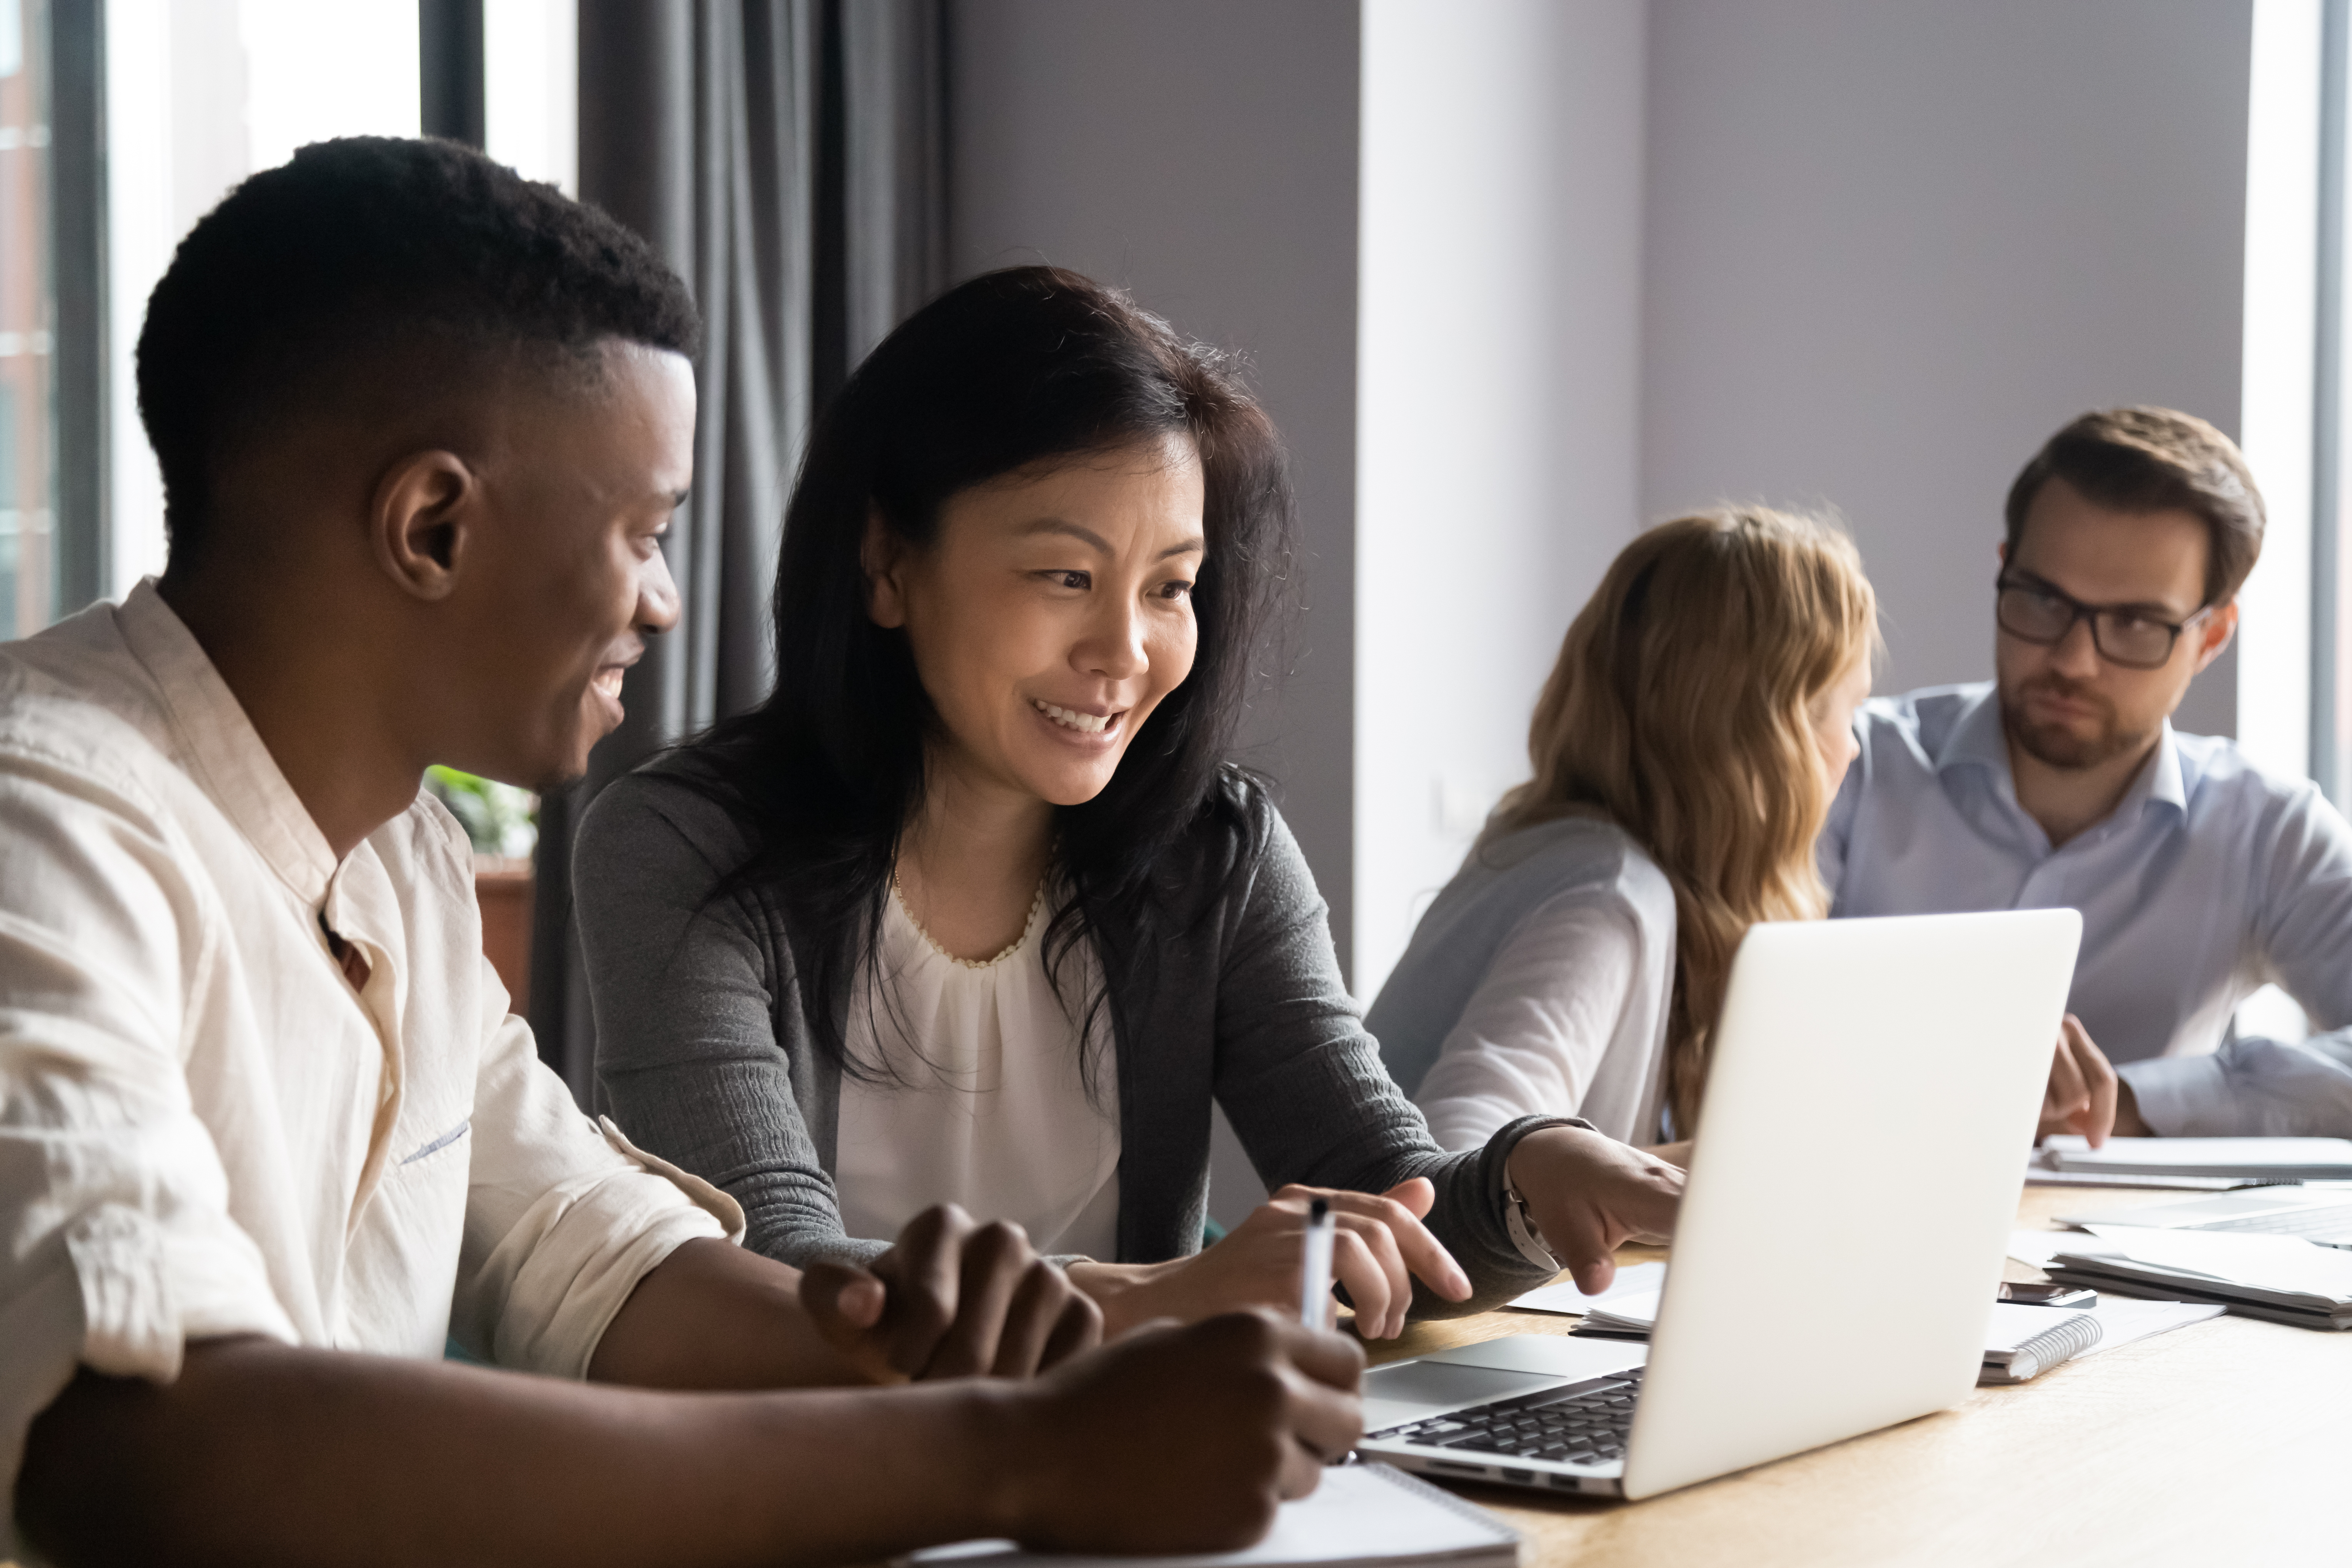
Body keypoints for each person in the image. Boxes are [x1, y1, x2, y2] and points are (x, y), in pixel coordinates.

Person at [1, 139, 1366, 1568]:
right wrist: (1017, 1456)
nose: (662, 602)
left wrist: (1018, 1347)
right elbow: (142, 1446)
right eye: (645, 531)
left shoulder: (401, 859)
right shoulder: (47, 819)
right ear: (433, 525)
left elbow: (598, 1260)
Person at [573, 266, 1685, 1339]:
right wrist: (1163, 1295)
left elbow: (1394, 1204)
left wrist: (1534, 1179)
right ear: (887, 565)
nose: (1125, 650)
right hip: (832, 1461)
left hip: (1133, 1455)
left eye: (1169, 587)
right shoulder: (680, 847)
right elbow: (774, 1272)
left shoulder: (1216, 852)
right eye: (1067, 576)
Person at [1823, 406, 2352, 1139]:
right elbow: (1719, 1030)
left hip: (2124, 1216)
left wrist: (2131, 1101)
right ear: (2003, 570)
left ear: (2211, 637)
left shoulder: (2266, 830)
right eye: (2044, 600)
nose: (2073, 661)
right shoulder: (1848, 765)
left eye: (2135, 623)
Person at [1367, 509, 1878, 1155]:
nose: (1852, 748)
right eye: (1844, 710)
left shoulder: (1557, 854)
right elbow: (1460, 1149)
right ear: (1766, 736)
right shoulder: (1607, 896)